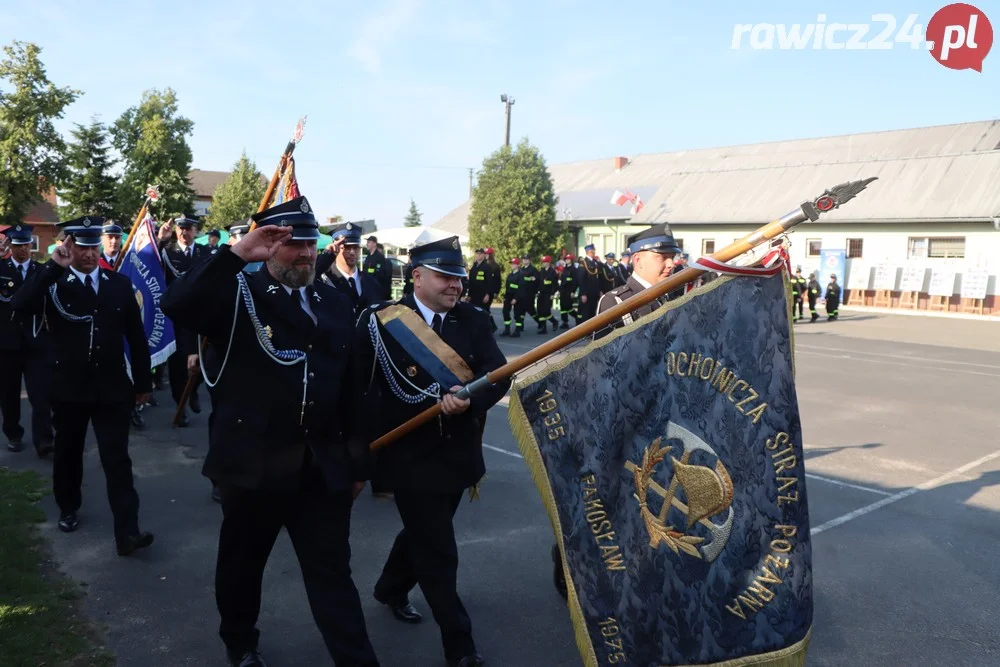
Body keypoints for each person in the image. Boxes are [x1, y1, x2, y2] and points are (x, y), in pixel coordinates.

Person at [161, 196, 379, 667]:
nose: (304, 253)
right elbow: (176, 304)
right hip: (253, 464)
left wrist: (358, 462)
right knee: (242, 567)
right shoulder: (237, 292)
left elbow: (350, 389)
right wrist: (236, 253)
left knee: (333, 576)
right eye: (290, 244)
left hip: (320, 466)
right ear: (266, 245)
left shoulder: (335, 301)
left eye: (309, 244)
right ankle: (240, 642)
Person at [355, 236, 509, 667]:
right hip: (407, 457)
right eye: (445, 277)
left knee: (424, 534)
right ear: (417, 277)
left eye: (459, 277)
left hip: (458, 455)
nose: (456, 286)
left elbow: (499, 375)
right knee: (439, 548)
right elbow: (361, 387)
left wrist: (472, 397)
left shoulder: (474, 321)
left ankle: (390, 587)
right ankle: (459, 644)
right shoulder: (381, 321)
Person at [551, 223, 682, 599]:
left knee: (647, 503)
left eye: (673, 256)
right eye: (664, 257)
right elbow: (608, 366)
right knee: (602, 498)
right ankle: (567, 559)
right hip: (620, 422)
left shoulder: (673, 295)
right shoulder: (616, 302)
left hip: (661, 418)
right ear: (639, 259)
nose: (671, 263)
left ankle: (638, 574)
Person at [11, 216, 154, 555]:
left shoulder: (117, 284)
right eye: (81, 247)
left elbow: (136, 336)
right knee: (68, 453)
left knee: (117, 459)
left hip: (111, 388)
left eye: (93, 247)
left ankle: (128, 531)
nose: (89, 254)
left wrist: (143, 382)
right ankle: (68, 507)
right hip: (68, 388)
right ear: (68, 246)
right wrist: (51, 268)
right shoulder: (53, 283)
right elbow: (19, 306)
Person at [0, 224, 54, 456]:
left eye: (26, 244)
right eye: (17, 244)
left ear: (31, 245)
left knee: (40, 394)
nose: (22, 249)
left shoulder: (40, 271)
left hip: (35, 342)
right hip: (7, 343)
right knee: (9, 394)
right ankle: (13, 434)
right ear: (9, 245)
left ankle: (43, 439)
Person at [157, 216, 213, 426]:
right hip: (176, 315)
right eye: (181, 229)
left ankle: (194, 390)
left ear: (196, 230)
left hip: (199, 314)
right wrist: (161, 239)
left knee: (204, 358)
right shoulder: (168, 251)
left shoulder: (204, 252)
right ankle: (181, 401)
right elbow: (151, 261)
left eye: (188, 229)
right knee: (178, 363)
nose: (184, 232)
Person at [317, 222, 383, 314]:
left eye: (356, 247)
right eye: (347, 247)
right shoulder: (324, 281)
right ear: (335, 248)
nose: (352, 252)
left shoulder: (371, 283)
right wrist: (326, 255)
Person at [363, 235, 393, 300]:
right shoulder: (368, 257)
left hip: (376, 289)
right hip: (368, 288)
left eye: (369, 242)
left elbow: (380, 274)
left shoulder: (379, 257)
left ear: (374, 244)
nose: (367, 244)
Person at [535, 255, 559, 333]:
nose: (543, 263)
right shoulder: (541, 270)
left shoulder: (552, 272)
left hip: (548, 293)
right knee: (540, 310)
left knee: (546, 311)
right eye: (543, 262)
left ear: (549, 262)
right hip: (541, 293)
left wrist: (552, 294)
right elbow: (539, 281)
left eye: (545, 262)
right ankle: (543, 328)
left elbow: (555, 284)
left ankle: (554, 321)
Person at [557, 253, 581, 330]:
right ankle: (565, 322)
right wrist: (559, 291)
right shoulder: (565, 269)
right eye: (566, 259)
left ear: (571, 260)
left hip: (569, 291)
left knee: (568, 307)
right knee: (563, 307)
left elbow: (576, 282)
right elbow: (562, 280)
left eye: (568, 259)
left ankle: (577, 318)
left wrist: (573, 291)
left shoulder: (574, 270)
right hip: (563, 291)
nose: (566, 260)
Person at [578, 244, 601, 321]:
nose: (594, 252)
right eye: (593, 251)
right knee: (586, 314)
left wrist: (599, 291)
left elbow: (597, 279)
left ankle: (592, 332)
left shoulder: (595, 262)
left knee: (593, 313)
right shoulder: (583, 262)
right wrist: (583, 293)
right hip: (587, 293)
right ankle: (585, 332)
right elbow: (581, 279)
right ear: (589, 252)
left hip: (594, 292)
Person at [500, 257, 521, 336]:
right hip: (509, 296)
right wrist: (505, 296)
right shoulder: (510, 275)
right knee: (505, 311)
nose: (512, 265)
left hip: (517, 297)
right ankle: (507, 329)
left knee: (517, 314)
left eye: (514, 264)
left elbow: (521, 288)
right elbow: (507, 287)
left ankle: (517, 331)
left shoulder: (520, 275)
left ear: (518, 265)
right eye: (511, 264)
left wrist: (516, 298)